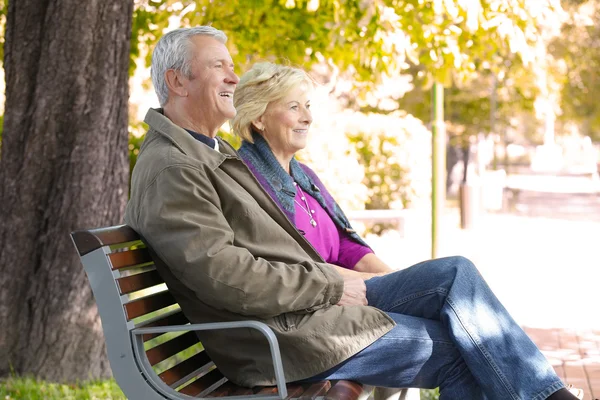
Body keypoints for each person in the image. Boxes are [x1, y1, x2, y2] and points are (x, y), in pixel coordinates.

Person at [125, 26, 583, 400]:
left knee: (455, 275)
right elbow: (225, 275)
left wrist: (337, 284)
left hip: (304, 315)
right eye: (217, 66)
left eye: (231, 65)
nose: (232, 76)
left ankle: (549, 396)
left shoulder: (208, 153)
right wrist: (330, 286)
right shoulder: (173, 165)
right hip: (285, 336)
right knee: (466, 349)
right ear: (177, 82)